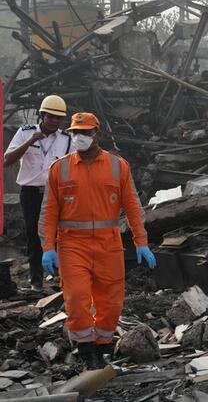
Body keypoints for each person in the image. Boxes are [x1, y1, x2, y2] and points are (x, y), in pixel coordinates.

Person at [39, 112, 155, 368]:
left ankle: (102, 345)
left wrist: (141, 241)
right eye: (75, 133)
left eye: (85, 132)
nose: (79, 137)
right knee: (78, 298)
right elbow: (48, 212)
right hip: (72, 245)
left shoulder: (117, 166)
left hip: (108, 244)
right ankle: (86, 348)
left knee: (111, 302)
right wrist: (48, 247)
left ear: (97, 134)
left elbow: (133, 206)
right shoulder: (60, 169)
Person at [3, 95, 71, 289]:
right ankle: (36, 280)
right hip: (31, 193)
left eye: (59, 118)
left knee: (61, 233)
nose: (55, 121)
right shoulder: (25, 133)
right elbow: (7, 161)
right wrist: (30, 141)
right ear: (42, 115)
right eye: (51, 117)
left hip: (55, 193)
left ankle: (61, 277)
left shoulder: (66, 138)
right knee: (34, 234)